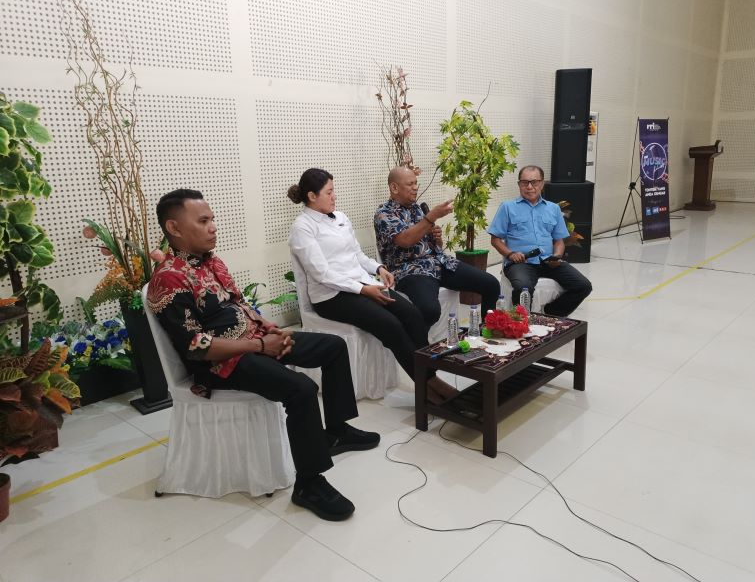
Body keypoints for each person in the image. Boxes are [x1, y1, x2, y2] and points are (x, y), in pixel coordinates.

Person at [148, 188, 380, 522]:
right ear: (174, 228)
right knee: (300, 389)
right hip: (221, 364)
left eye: (212, 218)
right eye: (203, 220)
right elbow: (195, 346)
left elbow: (239, 304)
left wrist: (269, 329)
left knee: (332, 346)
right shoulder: (169, 279)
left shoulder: (212, 262)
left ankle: (337, 432)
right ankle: (309, 484)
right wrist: (260, 346)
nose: (213, 226)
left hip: (254, 343)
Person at [287, 168, 457, 404]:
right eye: (329, 192)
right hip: (331, 296)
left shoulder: (340, 217)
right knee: (390, 325)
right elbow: (322, 274)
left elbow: (356, 255)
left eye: (333, 190)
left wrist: (378, 269)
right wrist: (362, 289)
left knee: (412, 314)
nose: (334, 196)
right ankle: (428, 386)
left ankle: (430, 378)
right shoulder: (302, 228)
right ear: (312, 196)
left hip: (361, 284)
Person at [374, 166, 500, 329]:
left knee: (491, 284)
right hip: (410, 269)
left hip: (440, 262)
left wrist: (437, 239)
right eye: (410, 184)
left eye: (416, 183)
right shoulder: (384, 214)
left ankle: (487, 332)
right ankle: (419, 349)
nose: (415, 188)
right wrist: (431, 217)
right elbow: (405, 240)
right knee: (429, 310)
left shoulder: (417, 208)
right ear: (394, 187)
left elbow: (434, 245)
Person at [488, 165, 592, 315]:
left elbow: (559, 241)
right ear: (519, 185)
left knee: (583, 286)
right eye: (525, 182)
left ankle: (551, 314)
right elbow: (495, 239)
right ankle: (522, 325)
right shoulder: (507, 207)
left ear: (542, 184)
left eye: (534, 182)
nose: (529, 187)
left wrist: (556, 256)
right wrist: (511, 254)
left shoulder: (553, 209)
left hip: (548, 261)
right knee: (523, 289)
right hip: (521, 262)